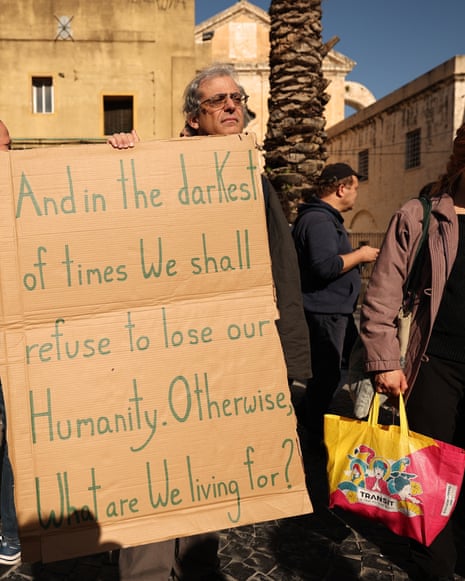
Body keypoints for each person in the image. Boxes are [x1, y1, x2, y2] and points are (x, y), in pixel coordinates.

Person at [109, 63, 312, 580]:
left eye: (237, 98)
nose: (230, 106)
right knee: (150, 478)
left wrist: (291, 360)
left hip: (223, 361)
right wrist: (120, 163)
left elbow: (282, 272)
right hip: (154, 360)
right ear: (192, 118)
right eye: (216, 100)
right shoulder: (154, 167)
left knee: (205, 484)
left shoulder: (253, 178)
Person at [359, 124, 465, 580]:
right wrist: (384, 362)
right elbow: (381, 296)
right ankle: (433, 568)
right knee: (433, 479)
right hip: (434, 367)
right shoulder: (420, 216)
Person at [292, 163, 379, 443]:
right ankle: (310, 424)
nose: (356, 195)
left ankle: (312, 419)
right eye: (355, 188)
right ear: (341, 188)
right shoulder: (318, 221)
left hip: (334, 310)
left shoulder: (324, 219)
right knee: (328, 374)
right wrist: (361, 255)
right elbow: (325, 266)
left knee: (339, 369)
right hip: (325, 312)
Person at [0, 120, 21, 566]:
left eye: (9, 146)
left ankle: (9, 530)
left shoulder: (26, 197)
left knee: (15, 437)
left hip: (16, 342)